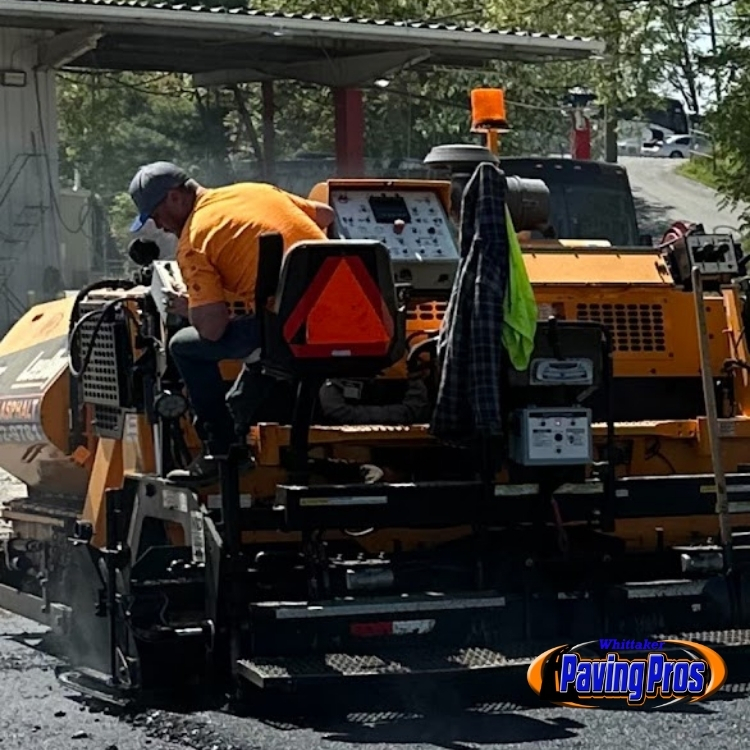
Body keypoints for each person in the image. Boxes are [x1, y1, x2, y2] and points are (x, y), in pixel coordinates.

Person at [128, 161, 334, 486]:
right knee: (259, 345)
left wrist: (193, 304)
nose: (159, 225)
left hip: (292, 329)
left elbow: (212, 330)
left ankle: (221, 451)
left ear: (175, 198)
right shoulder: (256, 191)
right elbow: (324, 215)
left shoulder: (195, 239)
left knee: (183, 346)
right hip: (348, 317)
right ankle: (238, 419)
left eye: (155, 214)